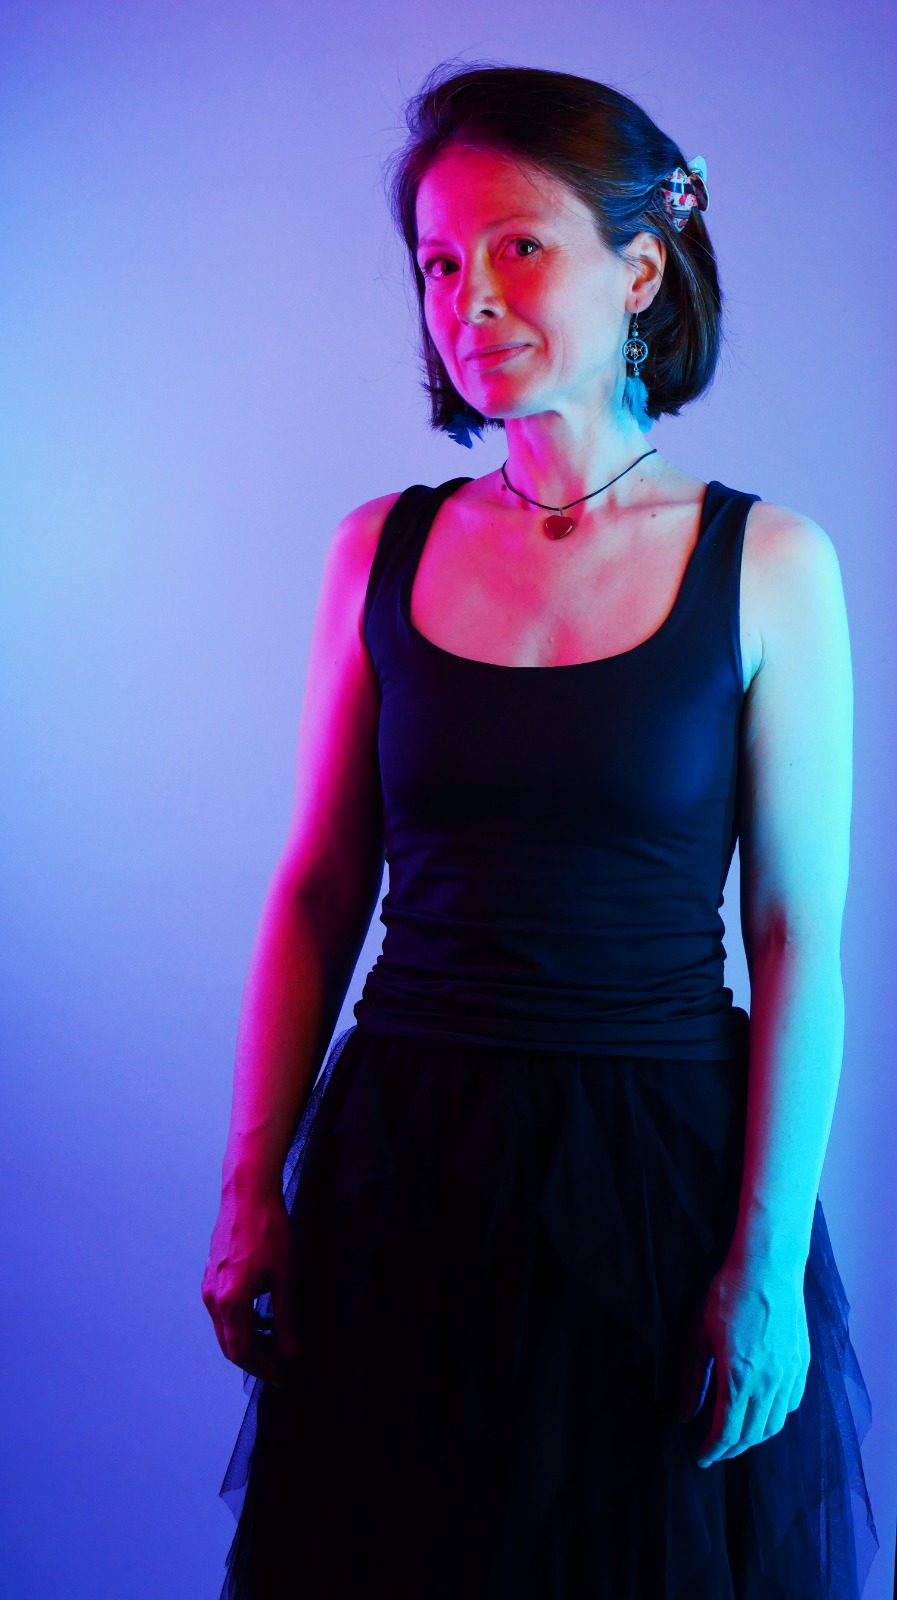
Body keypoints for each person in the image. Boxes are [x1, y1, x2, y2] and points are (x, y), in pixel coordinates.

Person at [202, 61, 879, 1599]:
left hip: (654, 1180)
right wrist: (249, 1189)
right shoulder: (380, 547)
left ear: (637, 269)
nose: (471, 297)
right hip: (402, 1166)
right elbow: (317, 892)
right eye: (440, 262)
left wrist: (765, 1265)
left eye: (519, 246)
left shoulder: (767, 562)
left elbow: (793, 938)